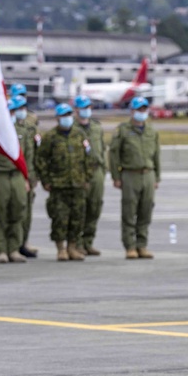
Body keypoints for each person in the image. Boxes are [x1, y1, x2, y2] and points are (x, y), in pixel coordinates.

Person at [36, 103, 91, 261]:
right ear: (57, 118)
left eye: (68, 115)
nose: (66, 118)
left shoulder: (79, 134)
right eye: (63, 115)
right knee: (60, 217)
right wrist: (46, 180)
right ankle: (61, 248)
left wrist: (86, 177)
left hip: (77, 183)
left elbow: (89, 158)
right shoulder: (51, 137)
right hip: (58, 185)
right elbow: (41, 159)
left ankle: (72, 247)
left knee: (77, 217)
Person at [109, 96, 160, 259]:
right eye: (139, 109)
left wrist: (157, 177)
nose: (142, 112)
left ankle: (142, 245)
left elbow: (156, 154)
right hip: (130, 174)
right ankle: (130, 246)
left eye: (144, 109)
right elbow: (114, 154)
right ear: (132, 111)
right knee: (129, 211)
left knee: (146, 211)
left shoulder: (152, 131)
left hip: (148, 174)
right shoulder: (123, 130)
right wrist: (116, 176)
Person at [0, 96, 30, 264]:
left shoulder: (22, 131)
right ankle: (1, 250)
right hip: (0, 175)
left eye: (14, 111)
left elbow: (27, 157)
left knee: (17, 212)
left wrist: (27, 178)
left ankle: (14, 249)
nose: (13, 114)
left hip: (17, 175)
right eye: (10, 111)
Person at [74, 95, 106, 256]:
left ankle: (88, 242)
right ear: (76, 110)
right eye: (83, 107)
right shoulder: (72, 129)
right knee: (80, 209)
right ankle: (77, 243)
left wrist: (104, 170)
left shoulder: (96, 127)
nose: (86, 110)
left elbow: (102, 149)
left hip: (96, 171)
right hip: (79, 173)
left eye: (88, 107)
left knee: (95, 207)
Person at [13, 92, 41, 259]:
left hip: (29, 174)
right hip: (14, 174)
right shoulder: (6, 129)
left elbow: (36, 153)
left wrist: (34, 175)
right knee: (15, 211)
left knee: (27, 211)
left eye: (23, 108)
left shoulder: (31, 129)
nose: (21, 111)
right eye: (18, 108)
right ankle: (13, 245)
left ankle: (24, 242)